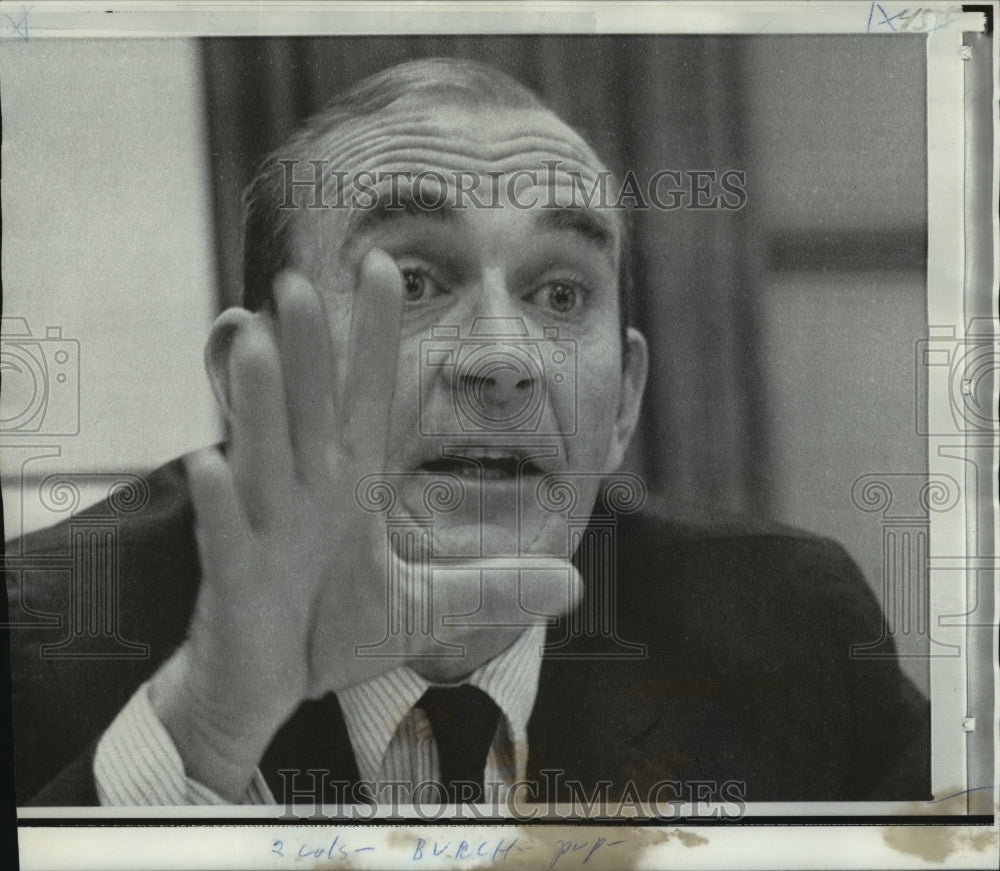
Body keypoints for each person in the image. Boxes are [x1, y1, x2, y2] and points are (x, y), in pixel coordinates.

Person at [6, 57, 928, 811]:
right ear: (258, 377)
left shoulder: (793, 629)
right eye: (413, 284)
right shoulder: (40, 637)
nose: (501, 358)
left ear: (623, 402)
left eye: (559, 293)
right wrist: (203, 733)